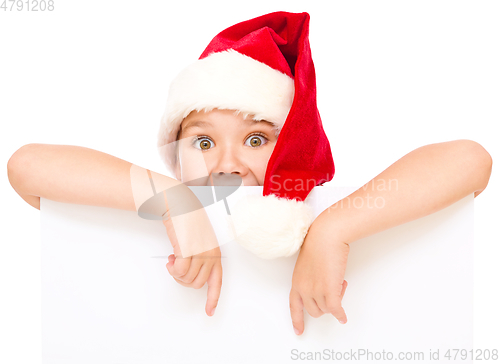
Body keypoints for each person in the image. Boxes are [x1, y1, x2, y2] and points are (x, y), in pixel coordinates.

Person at [6, 11, 493, 338]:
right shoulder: (173, 201)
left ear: (296, 145)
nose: (228, 163)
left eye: (257, 139)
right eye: (202, 142)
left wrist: (333, 229)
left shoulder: (329, 208)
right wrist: (173, 199)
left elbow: (471, 160)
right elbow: (26, 166)